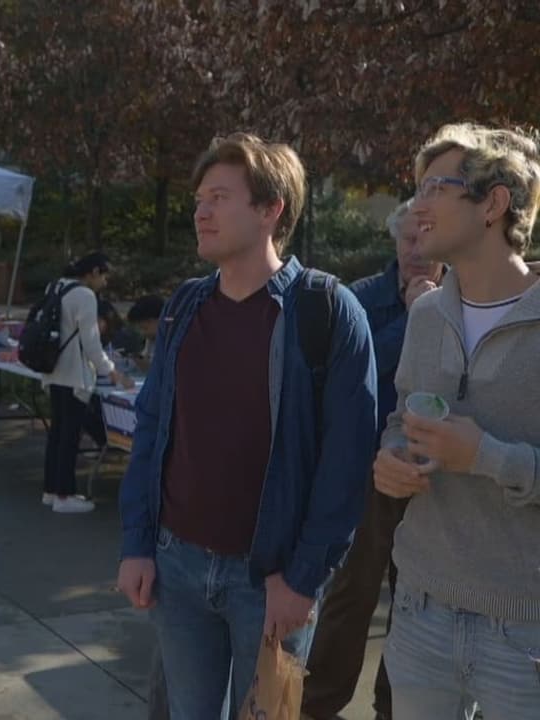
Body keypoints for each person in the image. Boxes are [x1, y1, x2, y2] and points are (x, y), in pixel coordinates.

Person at [117, 133, 377, 719]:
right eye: (198, 199)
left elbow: (346, 464)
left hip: (270, 584)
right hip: (177, 570)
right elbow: (153, 427)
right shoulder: (185, 307)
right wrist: (137, 544)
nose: (200, 212)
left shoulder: (328, 313)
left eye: (219, 197)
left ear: (269, 210)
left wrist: (304, 579)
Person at [374, 122, 540, 719]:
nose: (417, 207)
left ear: (494, 204)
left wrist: (487, 458)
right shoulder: (425, 317)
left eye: (436, 188)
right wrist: (392, 458)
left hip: (525, 634)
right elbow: (402, 418)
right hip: (419, 609)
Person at [301, 201, 444, 720]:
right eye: (408, 239)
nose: (417, 250)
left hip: (438, 478)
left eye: (427, 237)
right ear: (394, 243)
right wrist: (414, 316)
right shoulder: (359, 301)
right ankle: (316, 706)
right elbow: (349, 378)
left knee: (416, 603)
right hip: (368, 473)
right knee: (351, 595)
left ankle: (394, 706)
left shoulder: (465, 300)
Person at [40, 251, 133, 513]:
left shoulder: (56, 286)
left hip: (52, 371)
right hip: (75, 376)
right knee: (70, 437)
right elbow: (91, 345)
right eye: (104, 276)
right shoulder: (85, 296)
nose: (104, 282)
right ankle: (64, 495)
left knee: (57, 434)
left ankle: (50, 490)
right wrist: (113, 373)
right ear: (93, 272)